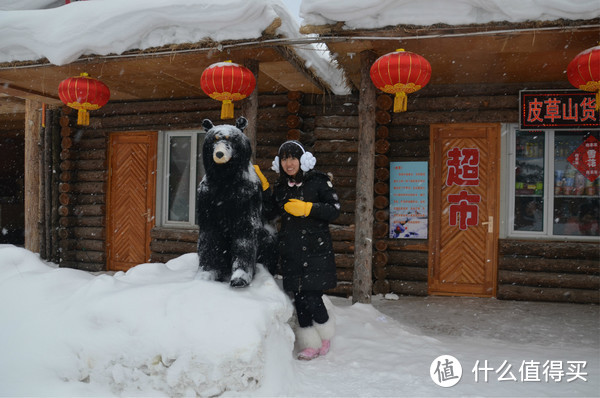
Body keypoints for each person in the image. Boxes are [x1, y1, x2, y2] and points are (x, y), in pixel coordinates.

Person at [256, 140, 340, 360]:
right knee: (300, 299)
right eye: (284, 159)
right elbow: (271, 212)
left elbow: (334, 210)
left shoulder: (318, 182)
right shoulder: (282, 187)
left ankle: (325, 335)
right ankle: (310, 343)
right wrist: (265, 189)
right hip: (292, 250)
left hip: (316, 249)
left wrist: (308, 208)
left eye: (293, 158)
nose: (288, 163)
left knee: (313, 296)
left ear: (302, 160)